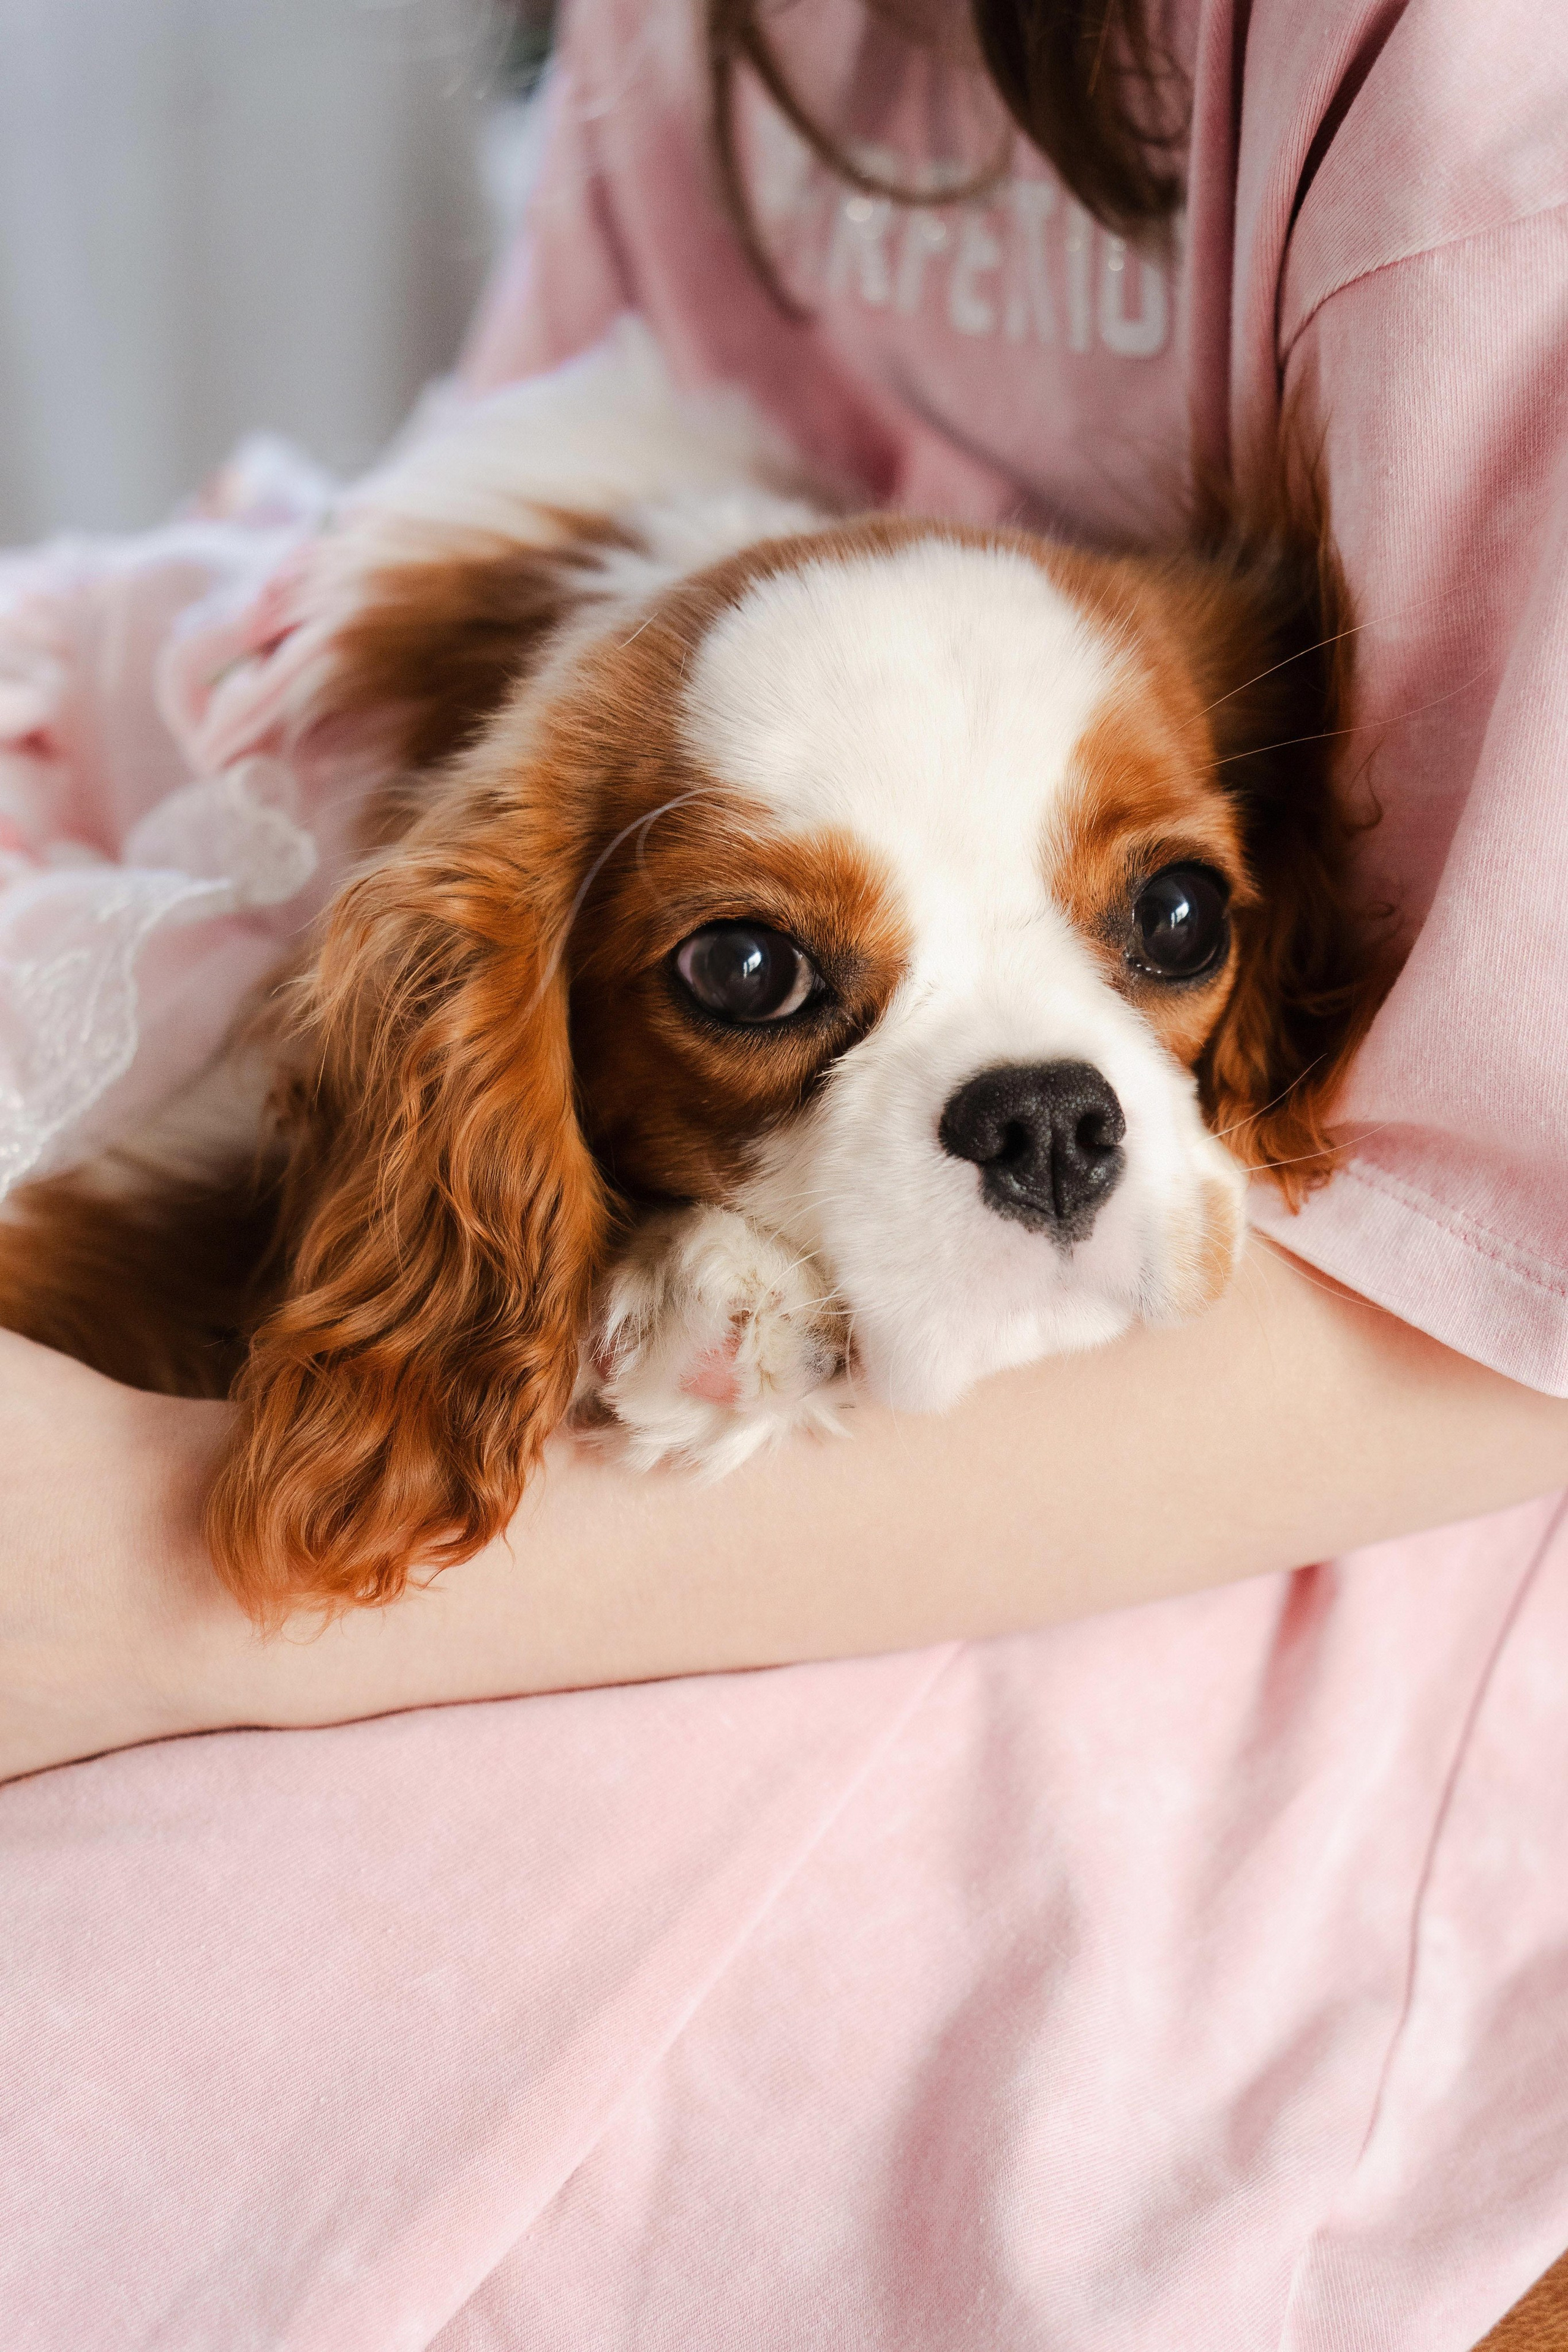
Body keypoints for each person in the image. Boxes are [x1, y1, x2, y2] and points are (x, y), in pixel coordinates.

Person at [3, 2, 1568, 2342]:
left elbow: (1499, 1290)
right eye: (759, 971)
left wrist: (149, 1572)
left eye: (1161, 924)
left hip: (1329, 1473)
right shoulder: (698, 33)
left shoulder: (1496, 107)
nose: (1049, 1089)